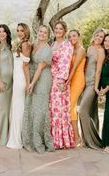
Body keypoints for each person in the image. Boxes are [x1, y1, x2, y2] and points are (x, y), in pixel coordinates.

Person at [22, 25, 54, 153]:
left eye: (45, 32)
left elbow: (40, 68)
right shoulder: (34, 45)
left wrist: (32, 83)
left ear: (48, 35)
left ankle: (39, 140)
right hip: (33, 78)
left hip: (42, 79)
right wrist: (28, 81)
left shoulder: (47, 49)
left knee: (40, 110)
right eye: (41, 31)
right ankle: (29, 138)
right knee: (32, 107)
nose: (42, 34)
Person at [49, 20, 75, 149]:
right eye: (56, 28)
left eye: (60, 28)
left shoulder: (66, 44)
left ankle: (61, 140)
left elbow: (65, 63)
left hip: (59, 81)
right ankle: (53, 138)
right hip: (50, 78)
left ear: (64, 31)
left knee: (59, 109)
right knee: (53, 109)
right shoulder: (53, 44)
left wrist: (60, 80)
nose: (58, 30)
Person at [79, 28, 105, 149]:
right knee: (91, 112)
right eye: (97, 35)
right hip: (84, 83)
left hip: (92, 84)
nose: (99, 38)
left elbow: (98, 70)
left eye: (101, 37)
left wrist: (95, 87)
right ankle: (85, 140)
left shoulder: (101, 51)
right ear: (93, 35)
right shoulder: (89, 48)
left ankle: (93, 141)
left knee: (82, 111)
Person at [6, 23, 31, 149]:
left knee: (18, 108)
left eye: (22, 30)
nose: (19, 32)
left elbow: (26, 66)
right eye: (18, 30)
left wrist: (28, 84)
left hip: (21, 79)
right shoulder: (21, 43)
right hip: (16, 79)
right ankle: (15, 136)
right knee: (16, 107)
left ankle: (17, 138)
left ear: (26, 31)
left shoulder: (25, 44)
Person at [0, 24, 13, 146]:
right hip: (0, 82)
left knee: (6, 109)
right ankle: (0, 138)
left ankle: (5, 135)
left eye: (4, 31)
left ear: (7, 33)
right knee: (2, 109)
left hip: (9, 83)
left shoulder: (9, 46)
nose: (1, 33)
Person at [67, 29, 86, 146]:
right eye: (69, 37)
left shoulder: (81, 50)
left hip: (78, 79)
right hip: (71, 78)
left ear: (79, 36)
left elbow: (74, 67)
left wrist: (68, 80)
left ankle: (77, 137)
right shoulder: (71, 49)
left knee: (70, 106)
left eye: (74, 36)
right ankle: (76, 137)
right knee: (71, 107)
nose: (72, 38)